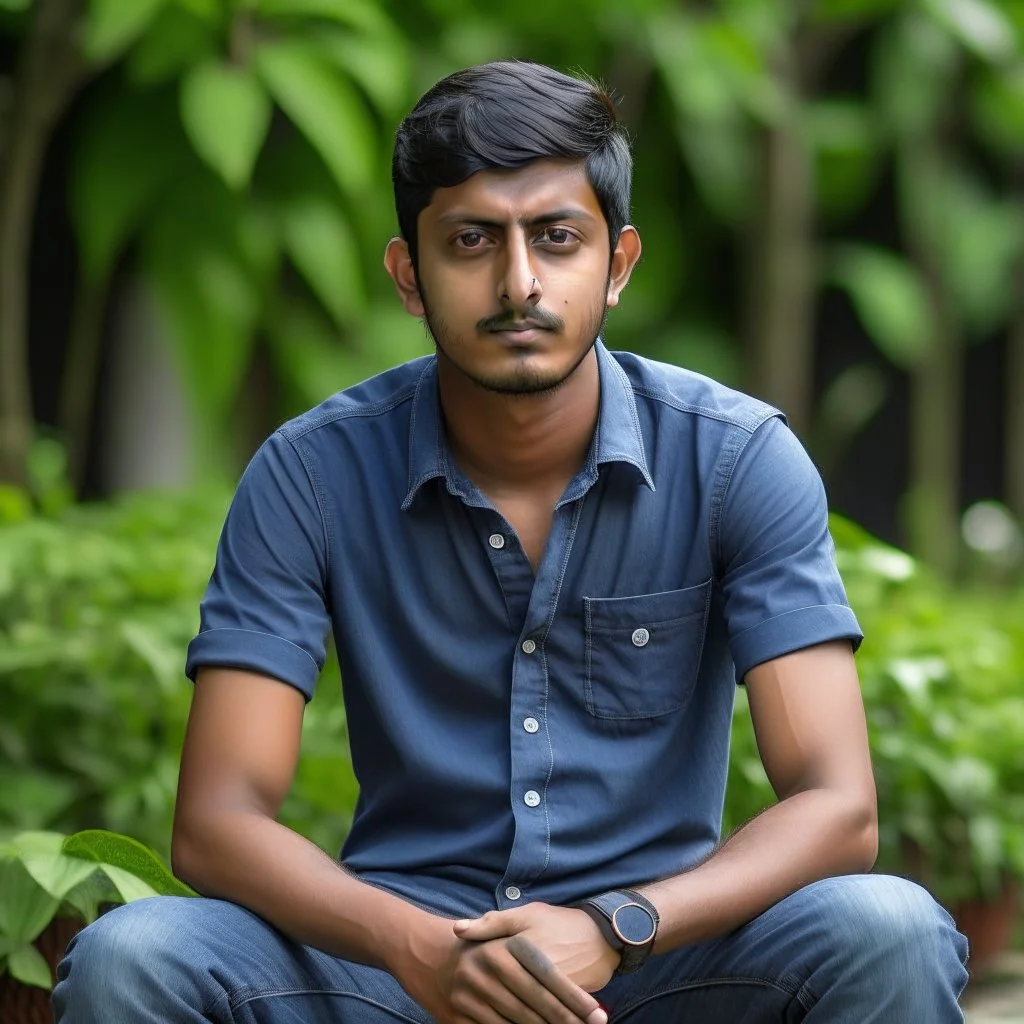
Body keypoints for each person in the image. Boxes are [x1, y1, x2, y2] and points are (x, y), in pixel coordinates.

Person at [53, 60, 968, 1023]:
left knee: (889, 928)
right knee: (136, 956)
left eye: (557, 238)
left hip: (659, 971)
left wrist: (618, 924)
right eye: (472, 240)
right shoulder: (311, 475)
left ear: (616, 266)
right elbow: (217, 823)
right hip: (398, 978)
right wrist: (415, 950)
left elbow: (837, 805)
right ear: (410, 274)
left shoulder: (735, 461)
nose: (518, 281)